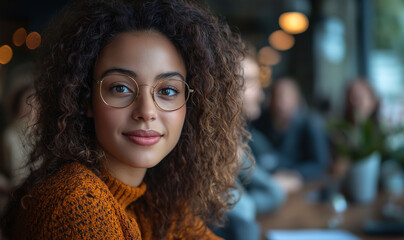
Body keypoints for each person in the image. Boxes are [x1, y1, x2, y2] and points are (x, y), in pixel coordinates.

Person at [1, 0, 247, 239]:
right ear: (85, 99)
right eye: (120, 88)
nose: (146, 111)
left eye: (168, 91)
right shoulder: (78, 205)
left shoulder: (151, 203)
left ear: (190, 105)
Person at [213, 48, 286, 240]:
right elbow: (244, 218)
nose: (261, 96)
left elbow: (275, 194)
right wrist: (245, 205)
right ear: (223, 85)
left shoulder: (232, 143)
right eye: (252, 82)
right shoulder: (204, 152)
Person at [253, 78, 331, 181]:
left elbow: (320, 165)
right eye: (275, 96)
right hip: (270, 181)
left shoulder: (311, 124)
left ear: (297, 99)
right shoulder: (260, 123)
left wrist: (294, 174)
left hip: (304, 185)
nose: (279, 102)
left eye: (285, 96)